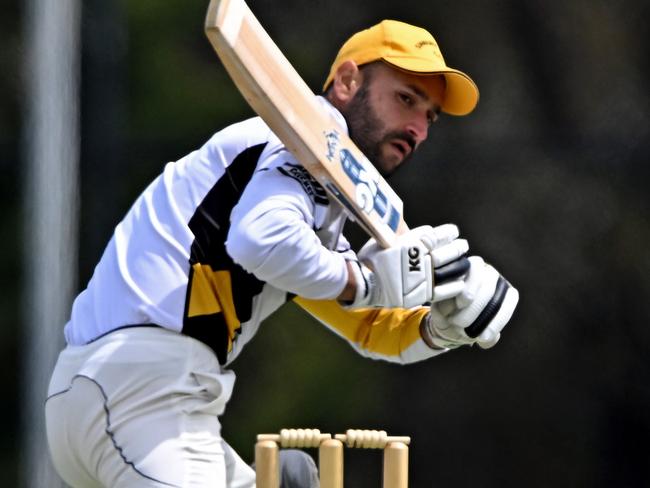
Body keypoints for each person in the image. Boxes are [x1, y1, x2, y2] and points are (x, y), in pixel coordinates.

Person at [45, 19, 519, 488]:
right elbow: (262, 240)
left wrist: (440, 328)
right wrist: (368, 280)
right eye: (406, 99)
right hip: (141, 394)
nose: (418, 128)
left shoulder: (312, 205)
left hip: (123, 395)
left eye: (429, 117)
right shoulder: (297, 143)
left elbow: (370, 329)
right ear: (348, 82)